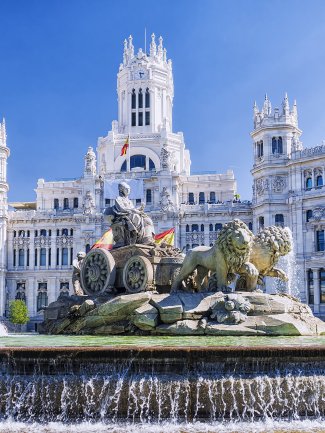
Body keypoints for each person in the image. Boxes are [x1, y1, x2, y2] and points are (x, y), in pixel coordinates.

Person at [104, 182, 155, 247]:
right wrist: (133, 210)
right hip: (123, 215)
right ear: (122, 190)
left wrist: (140, 209)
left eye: (129, 189)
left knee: (147, 219)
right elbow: (121, 208)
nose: (128, 191)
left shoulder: (129, 200)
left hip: (130, 214)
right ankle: (135, 235)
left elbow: (133, 208)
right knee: (136, 216)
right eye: (126, 189)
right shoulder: (119, 199)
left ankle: (146, 238)